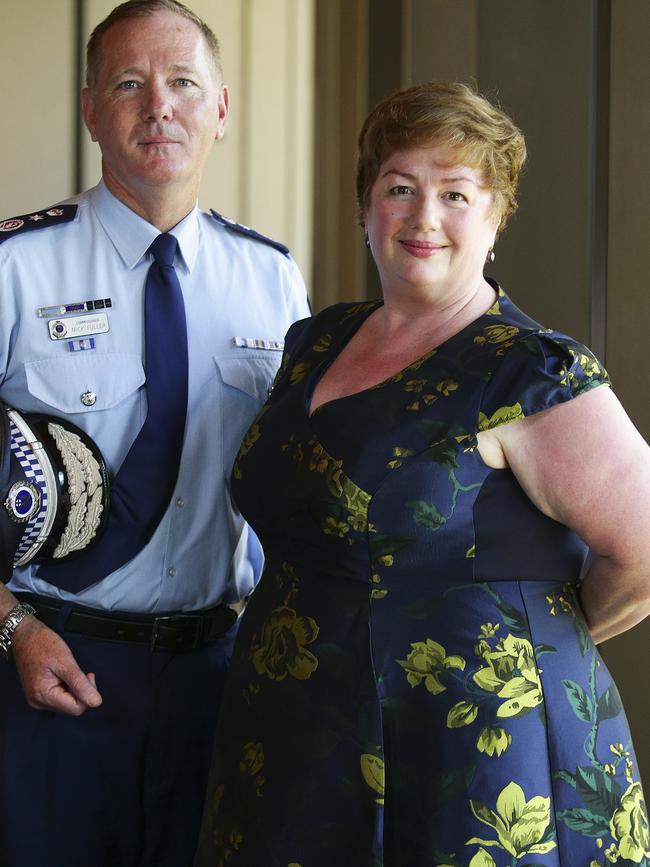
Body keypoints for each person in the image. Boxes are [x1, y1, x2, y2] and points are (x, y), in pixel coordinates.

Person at [196, 81, 650, 867]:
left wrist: (529, 643)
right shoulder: (316, 340)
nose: (423, 216)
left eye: (456, 192)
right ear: (367, 206)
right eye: (399, 188)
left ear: (497, 215)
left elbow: (643, 552)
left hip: (471, 756)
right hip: (297, 732)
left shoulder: (531, 371)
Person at [0, 1, 310, 865]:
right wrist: (11, 628)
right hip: (49, 665)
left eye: (182, 83)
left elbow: (298, 480)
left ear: (221, 108)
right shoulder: (15, 268)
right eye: (129, 84)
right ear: (91, 107)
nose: (157, 106)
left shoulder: (272, 279)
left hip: (216, 678)